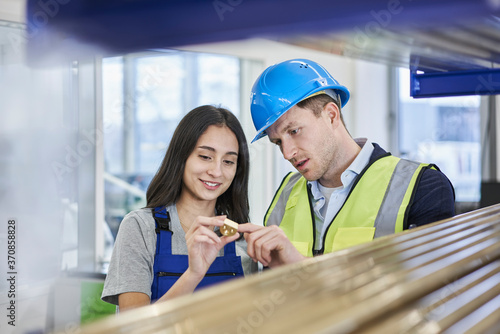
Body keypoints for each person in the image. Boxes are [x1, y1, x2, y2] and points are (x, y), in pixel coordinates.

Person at [242, 58, 455, 268]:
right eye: (278, 141)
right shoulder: (285, 194)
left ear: (331, 115)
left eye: (294, 131)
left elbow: (429, 288)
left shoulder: (422, 186)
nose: (287, 153)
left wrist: (303, 267)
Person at [101, 105, 258, 311]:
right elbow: (133, 327)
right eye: (205, 157)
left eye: (228, 161)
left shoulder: (239, 237)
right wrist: (193, 275)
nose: (216, 171)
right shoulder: (140, 228)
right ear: (181, 157)